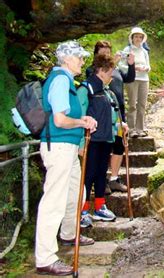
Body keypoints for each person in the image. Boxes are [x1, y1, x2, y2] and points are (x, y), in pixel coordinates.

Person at [35, 41, 97, 276]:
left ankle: (69, 234)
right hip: (58, 145)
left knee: (75, 191)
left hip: (67, 146)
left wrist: (83, 119)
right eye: (79, 57)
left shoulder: (66, 81)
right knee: (54, 200)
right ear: (67, 59)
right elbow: (60, 120)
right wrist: (82, 122)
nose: (83, 61)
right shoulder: (60, 80)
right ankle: (45, 258)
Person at [86, 40, 135, 194]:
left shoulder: (117, 70)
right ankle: (100, 182)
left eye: (108, 52)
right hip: (102, 116)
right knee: (103, 148)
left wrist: (131, 64)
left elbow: (129, 78)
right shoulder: (91, 71)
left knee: (119, 145)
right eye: (103, 52)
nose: (106, 55)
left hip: (118, 112)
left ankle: (114, 178)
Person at [78, 54, 121, 228]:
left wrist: (120, 127)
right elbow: (79, 115)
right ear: (102, 71)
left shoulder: (105, 91)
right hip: (92, 140)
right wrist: (81, 143)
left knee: (101, 173)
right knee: (88, 175)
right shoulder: (86, 89)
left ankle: (99, 206)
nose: (112, 75)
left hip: (105, 138)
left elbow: (111, 114)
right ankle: (82, 210)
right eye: (110, 71)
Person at [120, 26, 151, 138]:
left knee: (142, 104)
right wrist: (133, 68)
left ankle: (140, 128)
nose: (138, 39)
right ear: (132, 38)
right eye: (136, 36)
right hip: (132, 79)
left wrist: (145, 68)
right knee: (132, 103)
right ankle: (131, 128)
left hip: (144, 79)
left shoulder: (144, 51)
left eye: (140, 37)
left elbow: (148, 66)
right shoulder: (127, 50)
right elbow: (121, 65)